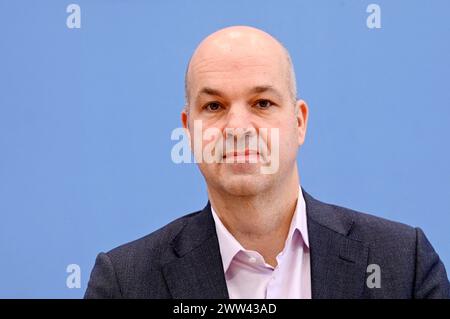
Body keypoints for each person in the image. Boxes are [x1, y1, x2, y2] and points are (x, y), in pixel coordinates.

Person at [85, 25, 449, 299]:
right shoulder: (125, 283)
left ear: (299, 121)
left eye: (262, 103)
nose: (238, 128)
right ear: (189, 130)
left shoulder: (403, 264)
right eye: (214, 106)